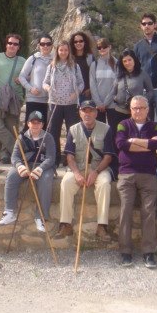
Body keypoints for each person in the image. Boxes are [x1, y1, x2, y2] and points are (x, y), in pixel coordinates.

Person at [55, 100, 114, 241]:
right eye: (84, 111)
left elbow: (108, 157)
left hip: (99, 168)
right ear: (80, 113)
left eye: (90, 111)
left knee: (104, 184)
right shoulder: (73, 129)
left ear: (96, 113)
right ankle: (65, 224)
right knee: (66, 182)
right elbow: (69, 156)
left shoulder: (106, 129)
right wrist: (76, 173)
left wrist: (96, 172)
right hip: (79, 167)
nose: (87, 114)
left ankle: (102, 226)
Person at [116, 95, 157, 269]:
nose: (137, 111)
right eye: (134, 108)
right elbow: (121, 144)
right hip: (126, 174)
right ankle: (125, 251)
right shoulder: (123, 124)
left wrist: (134, 142)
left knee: (149, 211)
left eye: (141, 108)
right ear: (130, 109)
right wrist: (147, 144)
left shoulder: (155, 126)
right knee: (125, 210)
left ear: (147, 109)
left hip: (148, 174)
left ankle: (149, 252)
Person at [0, 111, 56, 232]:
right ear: (28, 123)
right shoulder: (21, 137)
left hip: (43, 167)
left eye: (38, 123)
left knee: (46, 181)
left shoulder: (48, 137)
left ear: (42, 125)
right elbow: (15, 157)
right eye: (33, 122)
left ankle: (40, 217)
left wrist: (40, 168)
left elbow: (51, 158)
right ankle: (9, 211)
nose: (35, 125)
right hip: (26, 165)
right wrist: (20, 166)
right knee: (11, 175)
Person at [43, 40, 84, 164]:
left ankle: (69, 158)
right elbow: (45, 82)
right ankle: (54, 159)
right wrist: (48, 88)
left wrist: (76, 93)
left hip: (71, 103)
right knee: (53, 132)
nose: (63, 52)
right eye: (61, 50)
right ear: (57, 51)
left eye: (66, 50)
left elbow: (81, 83)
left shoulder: (75, 66)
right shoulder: (51, 66)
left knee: (72, 132)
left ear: (69, 51)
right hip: (55, 103)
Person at [0, 33, 26, 163]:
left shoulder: (23, 61)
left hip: (14, 98)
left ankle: (5, 155)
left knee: (11, 127)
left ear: (18, 47)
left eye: (15, 44)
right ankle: (19, 151)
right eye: (10, 43)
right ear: (6, 44)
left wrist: (23, 79)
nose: (12, 46)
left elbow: (31, 76)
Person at [109, 48, 153, 142]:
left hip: (136, 113)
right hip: (119, 111)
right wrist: (116, 99)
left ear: (134, 60)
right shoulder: (119, 76)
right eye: (124, 61)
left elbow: (150, 91)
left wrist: (142, 102)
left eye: (129, 60)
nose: (127, 63)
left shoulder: (142, 74)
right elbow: (113, 92)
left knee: (134, 138)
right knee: (118, 138)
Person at [18, 34, 53, 127]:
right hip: (33, 99)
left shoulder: (55, 60)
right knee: (31, 127)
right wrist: (30, 88)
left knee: (45, 128)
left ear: (52, 45)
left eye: (48, 44)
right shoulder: (33, 59)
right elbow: (21, 77)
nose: (45, 46)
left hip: (50, 100)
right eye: (42, 44)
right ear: (38, 45)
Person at [89, 37, 118, 125]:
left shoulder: (117, 63)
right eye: (99, 47)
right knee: (99, 131)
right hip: (98, 105)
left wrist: (105, 103)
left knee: (113, 130)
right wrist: (98, 103)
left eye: (104, 46)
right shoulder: (94, 64)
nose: (102, 49)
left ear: (109, 47)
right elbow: (92, 85)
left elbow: (116, 85)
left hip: (112, 104)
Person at [69, 31, 95, 102]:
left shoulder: (90, 57)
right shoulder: (70, 58)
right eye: (75, 42)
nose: (78, 43)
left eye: (81, 41)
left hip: (86, 94)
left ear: (85, 42)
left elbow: (94, 75)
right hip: (72, 93)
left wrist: (90, 89)